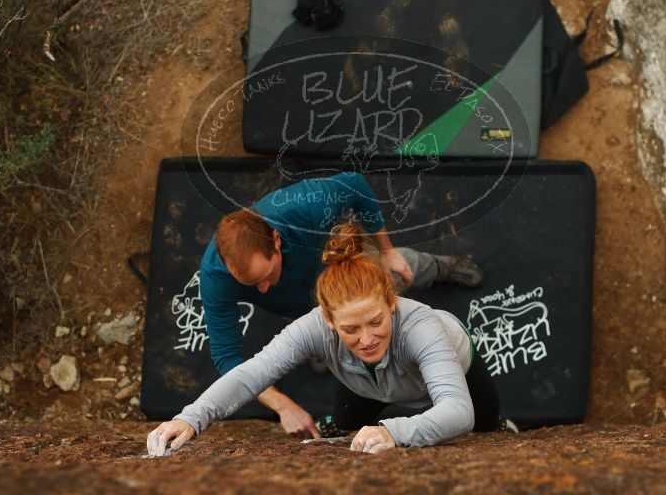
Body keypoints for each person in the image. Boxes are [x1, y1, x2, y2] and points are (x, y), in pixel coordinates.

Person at [148, 223, 501, 456]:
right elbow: (253, 372)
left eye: (376, 321)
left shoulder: (422, 327)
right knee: (347, 422)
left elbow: (458, 410)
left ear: (392, 303)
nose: (367, 339)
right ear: (329, 321)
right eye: (351, 329)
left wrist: (394, 432)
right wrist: (190, 419)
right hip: (365, 383)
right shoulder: (313, 325)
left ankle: (442, 267)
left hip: (454, 360)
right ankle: (348, 420)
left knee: (486, 421)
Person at [200, 172, 484, 439]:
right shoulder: (215, 279)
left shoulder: (299, 207)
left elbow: (354, 184)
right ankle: (324, 343)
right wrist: (282, 404)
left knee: (396, 272)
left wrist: (387, 251)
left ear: (276, 240)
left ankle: (439, 268)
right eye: (251, 286)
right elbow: (228, 358)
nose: (263, 290)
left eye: (268, 275)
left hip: (339, 263)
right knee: (327, 342)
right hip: (305, 307)